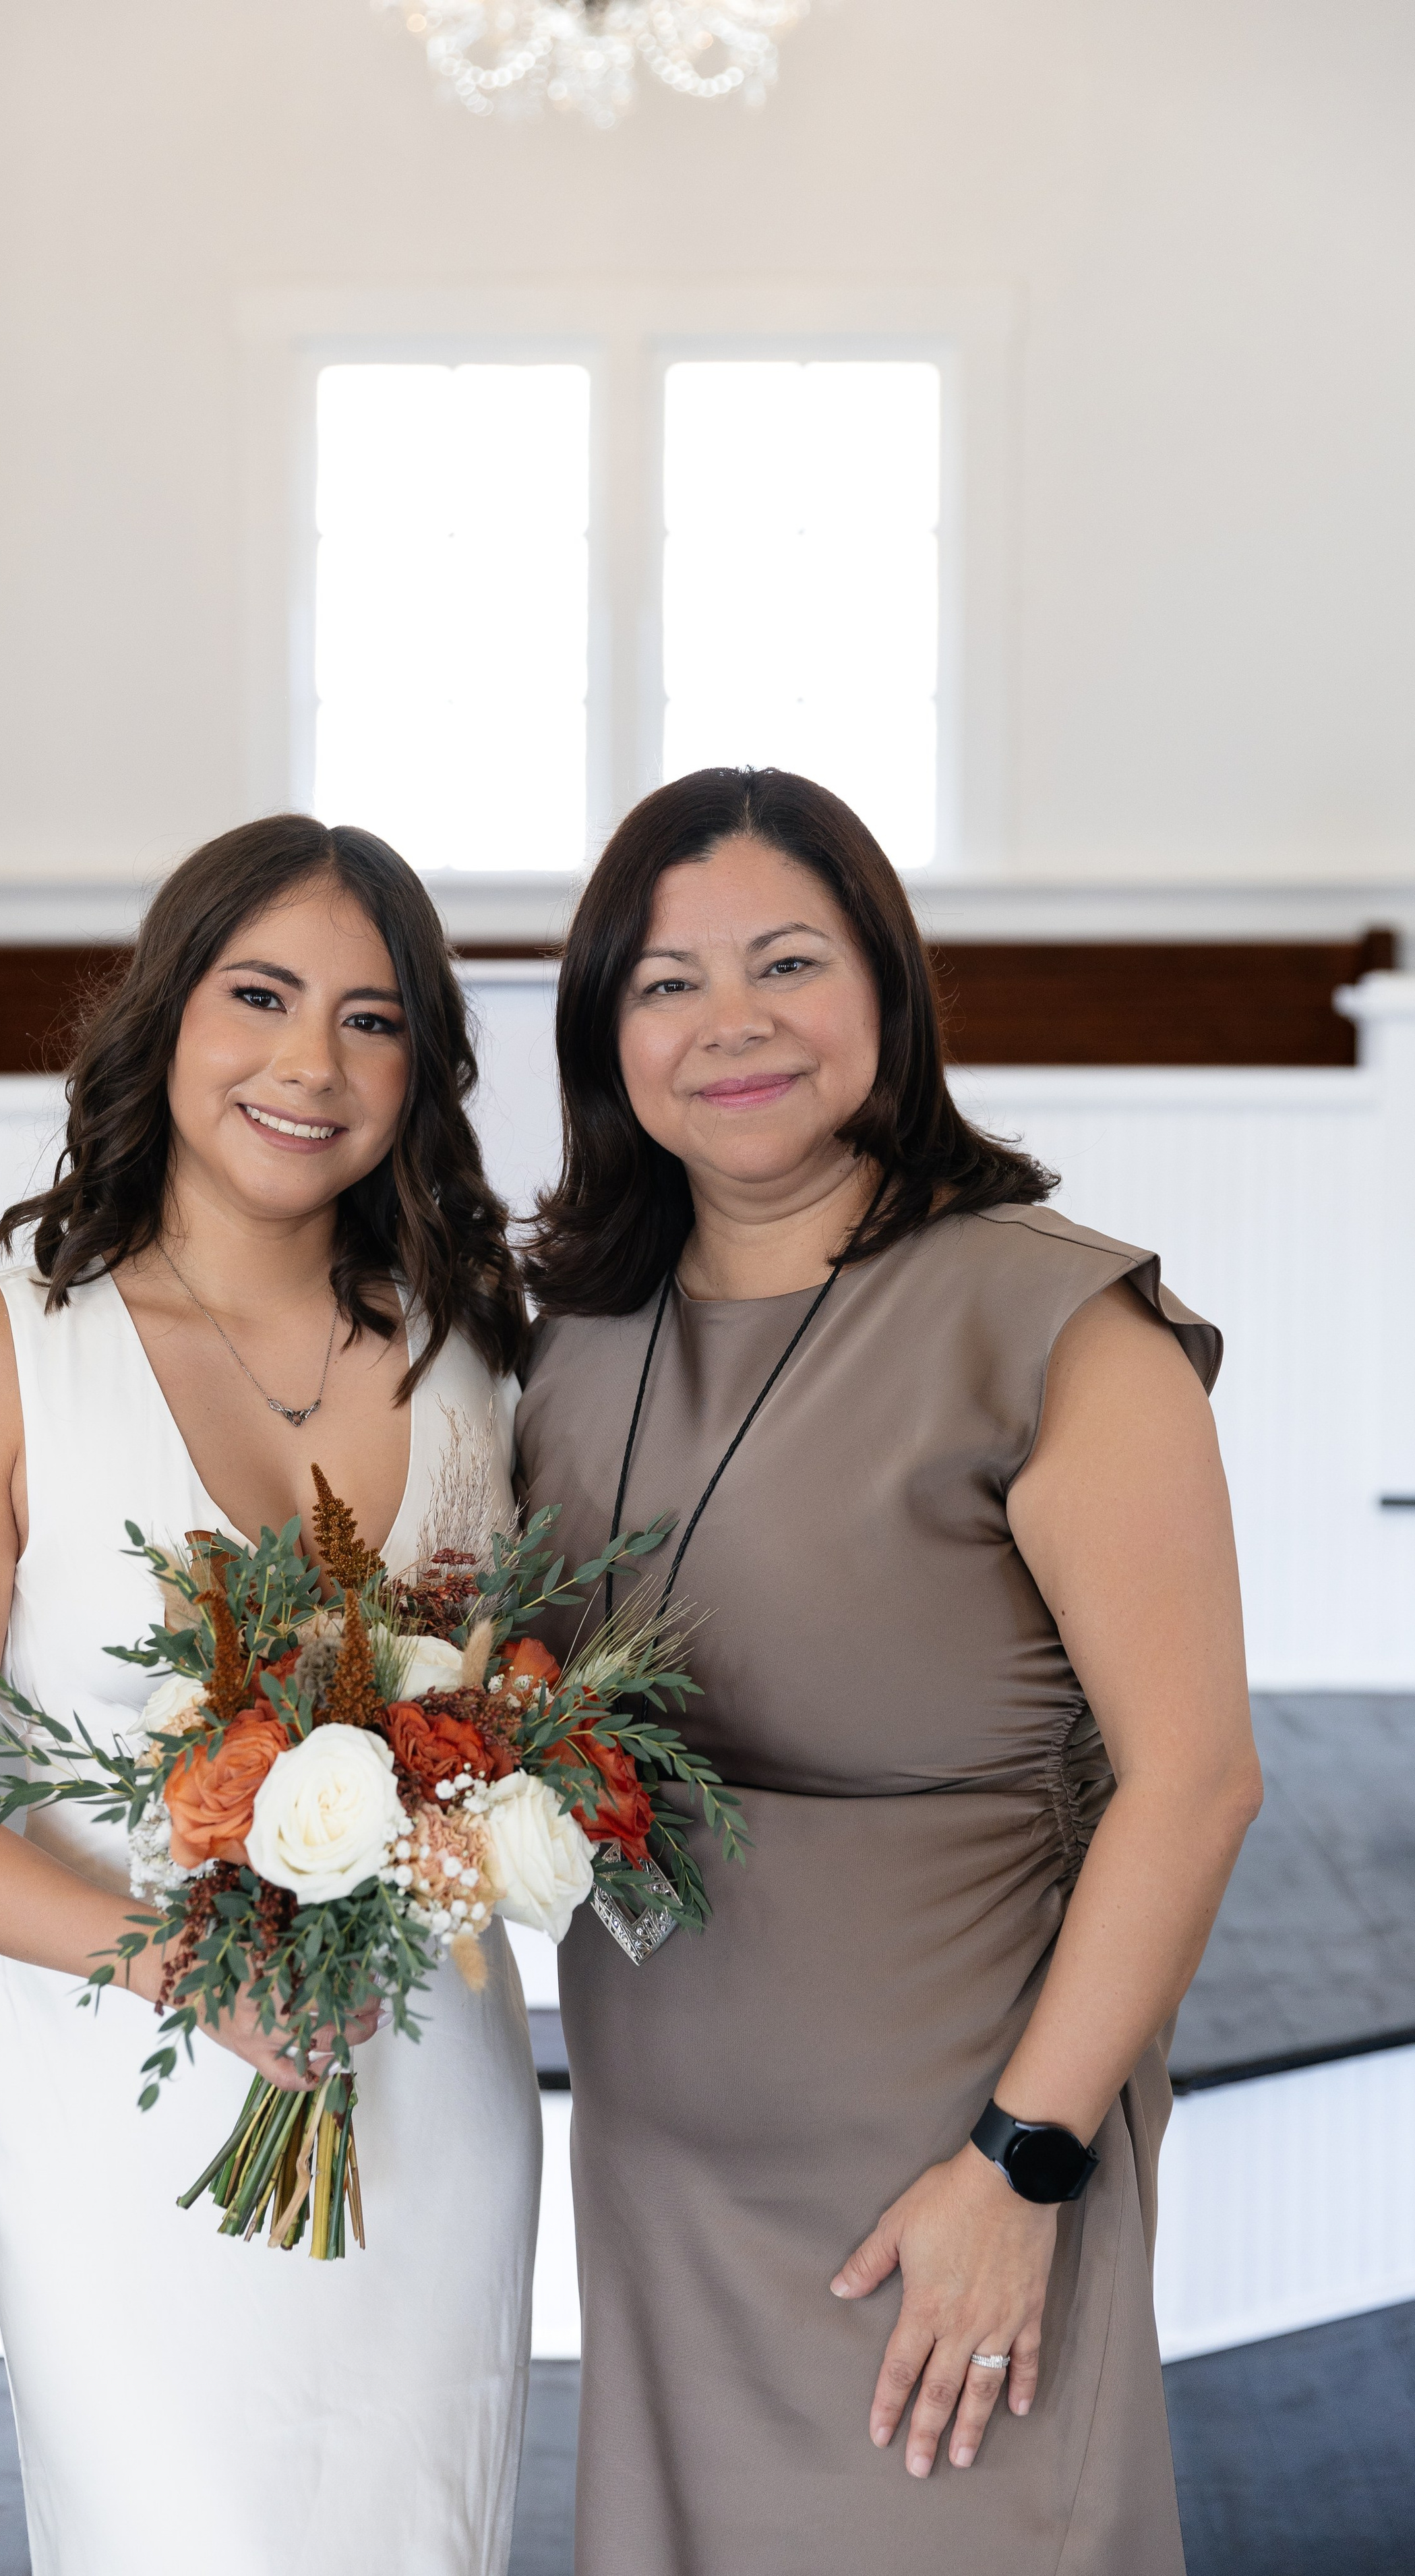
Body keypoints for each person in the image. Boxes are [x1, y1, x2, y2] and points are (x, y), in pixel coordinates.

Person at [515, 767, 1262, 2576]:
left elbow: (1196, 1776)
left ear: (889, 988)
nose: (733, 1023)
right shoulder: (562, 1335)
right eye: (667, 981)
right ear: (605, 1028)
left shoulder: (1054, 1321)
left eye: (790, 960)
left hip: (952, 2167)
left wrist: (1025, 2162)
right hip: (665, 2189)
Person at [0, 816, 542, 2576]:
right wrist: (180, 1962)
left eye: (374, 1019)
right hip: (130, 2119)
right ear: (164, 1016)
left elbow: (520, 1700)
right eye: (262, 994)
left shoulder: (477, 1352)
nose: (311, 1061)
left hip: (426, 2104)